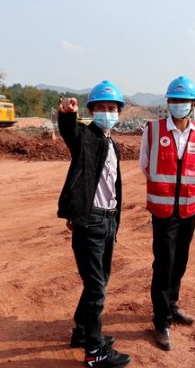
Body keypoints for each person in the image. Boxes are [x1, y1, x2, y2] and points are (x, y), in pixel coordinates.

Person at [57, 80, 131, 368]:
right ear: (91, 111)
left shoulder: (111, 144)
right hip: (92, 224)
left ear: (119, 113)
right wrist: (67, 115)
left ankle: (82, 331)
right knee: (96, 287)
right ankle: (95, 351)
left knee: (99, 282)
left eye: (112, 108)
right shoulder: (86, 138)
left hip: (108, 222)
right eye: (102, 108)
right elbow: (71, 133)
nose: (107, 113)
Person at [139, 76, 195, 351]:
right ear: (168, 102)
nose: (180, 104)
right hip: (163, 209)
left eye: (185, 100)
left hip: (189, 208)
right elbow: (145, 165)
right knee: (164, 264)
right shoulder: (153, 130)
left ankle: (173, 304)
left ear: (194, 104)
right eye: (175, 100)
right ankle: (161, 322)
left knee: (180, 260)